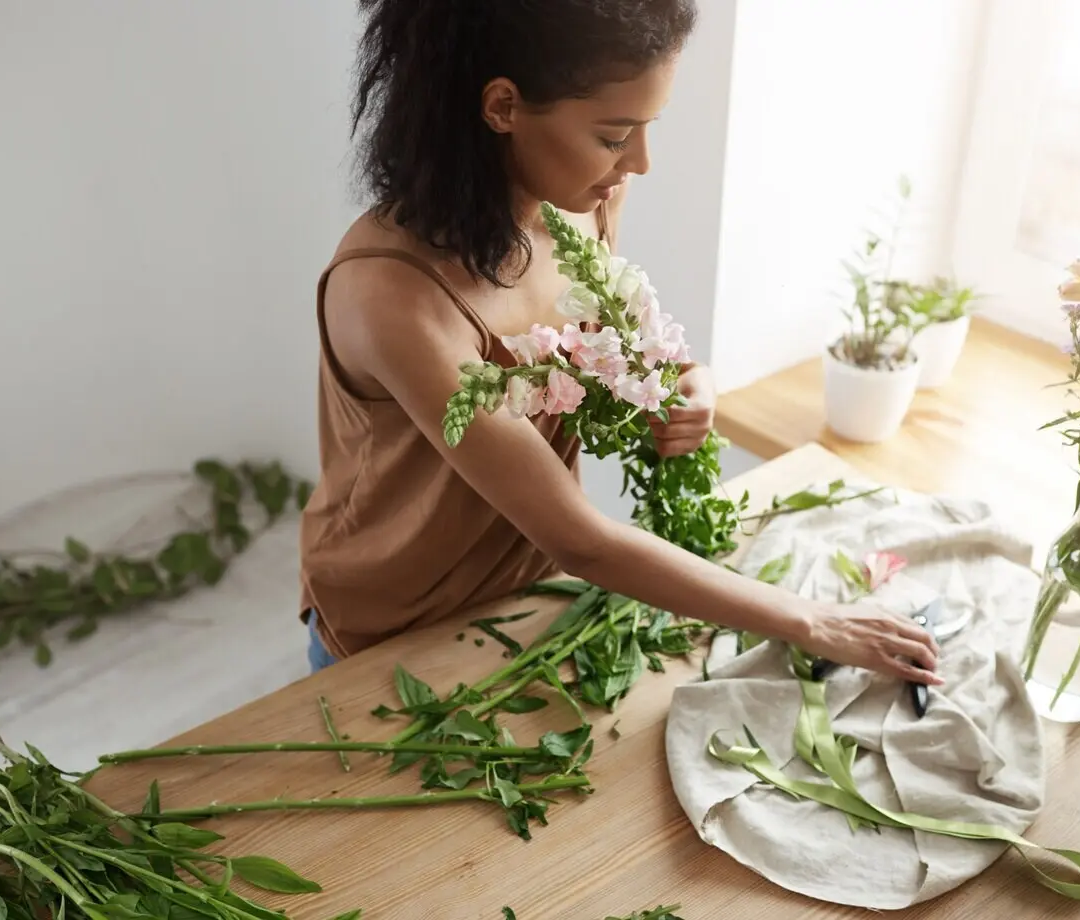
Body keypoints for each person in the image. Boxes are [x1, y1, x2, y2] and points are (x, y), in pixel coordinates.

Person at [298, 0, 942, 686]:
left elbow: (599, 349)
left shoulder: (586, 202)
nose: (639, 163)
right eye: (614, 136)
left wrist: (685, 380)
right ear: (502, 106)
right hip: (389, 633)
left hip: (528, 604)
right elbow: (580, 539)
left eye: (645, 129)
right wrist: (814, 622)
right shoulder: (391, 296)